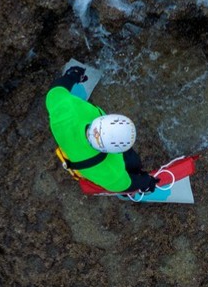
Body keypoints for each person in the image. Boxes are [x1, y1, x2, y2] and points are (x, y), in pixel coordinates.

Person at [45, 63, 159, 194]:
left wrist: (72, 76)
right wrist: (146, 182)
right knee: (133, 163)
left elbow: (56, 90)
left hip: (71, 145)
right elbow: (125, 185)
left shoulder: (64, 110)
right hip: (87, 167)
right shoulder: (109, 172)